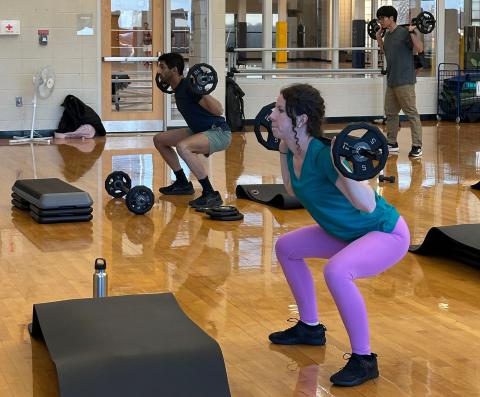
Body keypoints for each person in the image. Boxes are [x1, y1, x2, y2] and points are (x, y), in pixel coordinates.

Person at [267, 83, 411, 387]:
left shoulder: (323, 156)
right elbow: (294, 190)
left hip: (383, 231)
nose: (271, 115)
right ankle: (309, 328)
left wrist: (341, 166)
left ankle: (364, 359)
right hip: (344, 232)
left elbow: (368, 204)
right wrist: (283, 149)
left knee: (337, 271)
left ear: (301, 119)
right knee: (286, 247)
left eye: (280, 110)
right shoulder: (294, 151)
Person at [153, 52, 231, 208]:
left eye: (162, 67)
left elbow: (219, 110)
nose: (159, 71)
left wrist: (201, 90)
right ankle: (182, 183)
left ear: (174, 70)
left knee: (184, 147)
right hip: (198, 130)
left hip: (218, 132)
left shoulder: (189, 87)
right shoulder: (179, 88)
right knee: (159, 140)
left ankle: (210, 193)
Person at [376, 6, 424, 158]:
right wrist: (378, 39)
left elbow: (420, 48)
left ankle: (417, 146)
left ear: (391, 18)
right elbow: (387, 52)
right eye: (379, 19)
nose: (380, 21)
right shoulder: (388, 35)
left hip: (405, 80)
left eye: (382, 18)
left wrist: (412, 32)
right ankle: (392, 143)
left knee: (411, 113)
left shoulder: (405, 32)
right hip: (392, 80)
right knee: (390, 113)